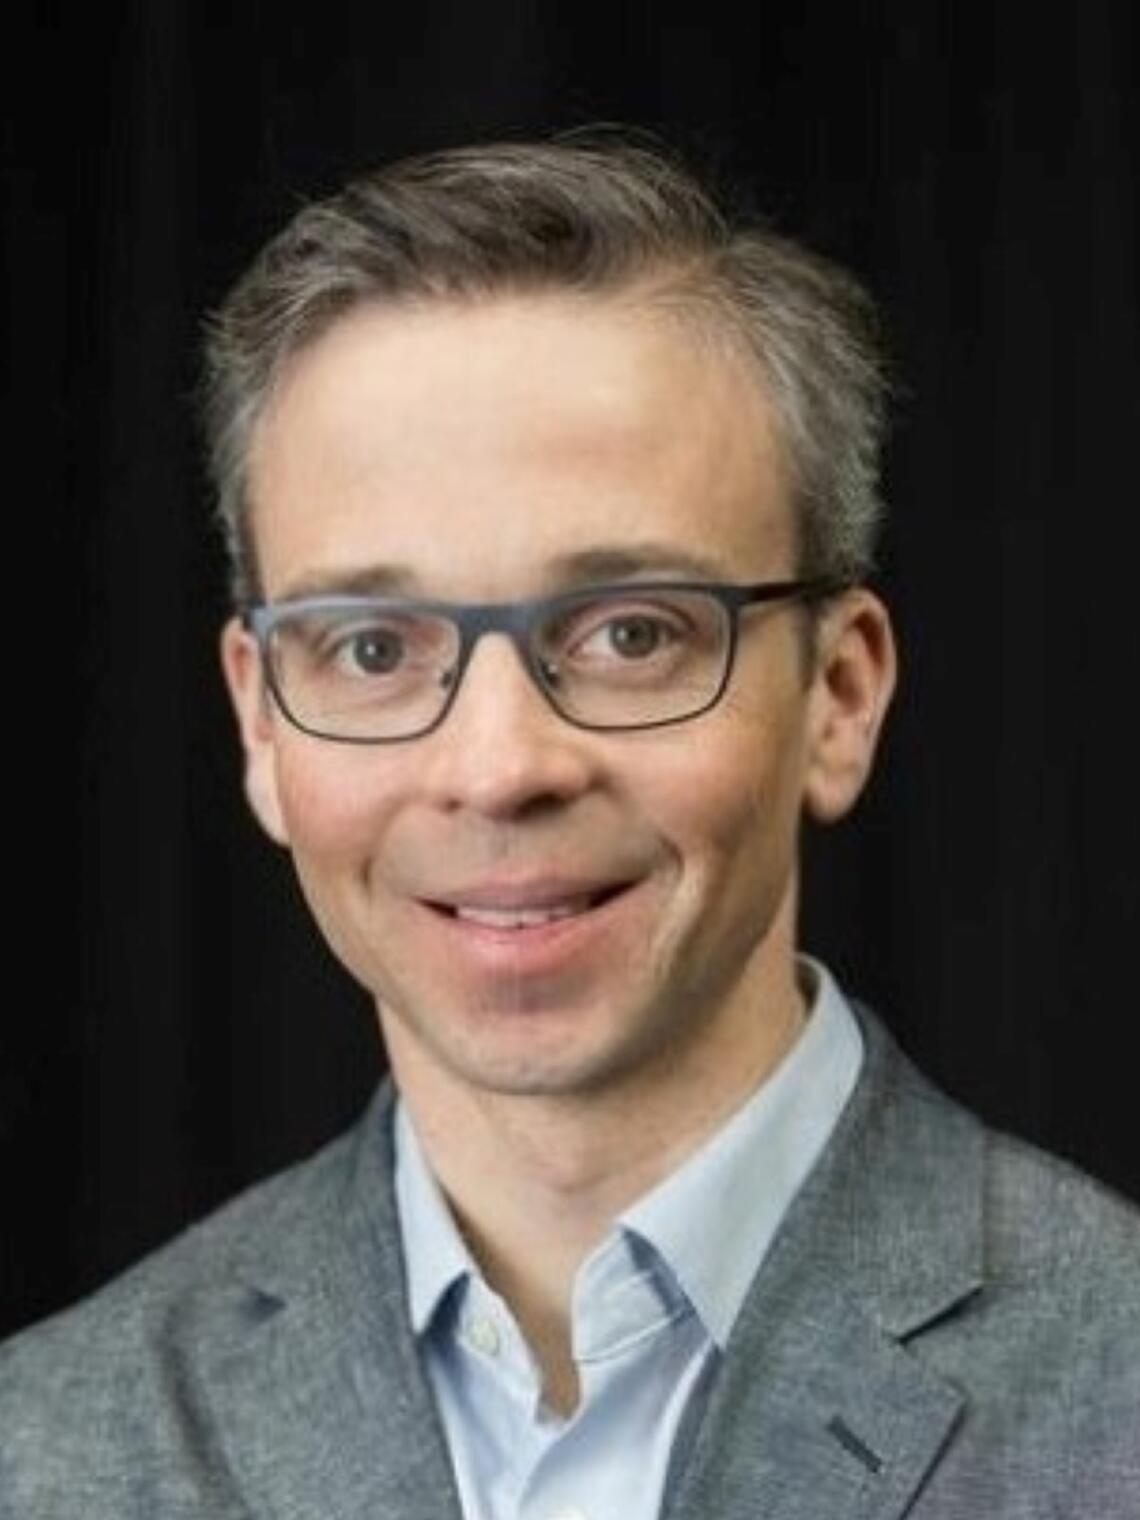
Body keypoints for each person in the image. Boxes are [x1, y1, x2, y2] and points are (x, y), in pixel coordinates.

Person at [2, 134, 1138, 1519]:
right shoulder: (43, 1451)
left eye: (631, 633)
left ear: (838, 697)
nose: (497, 769)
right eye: (372, 648)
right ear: (260, 723)